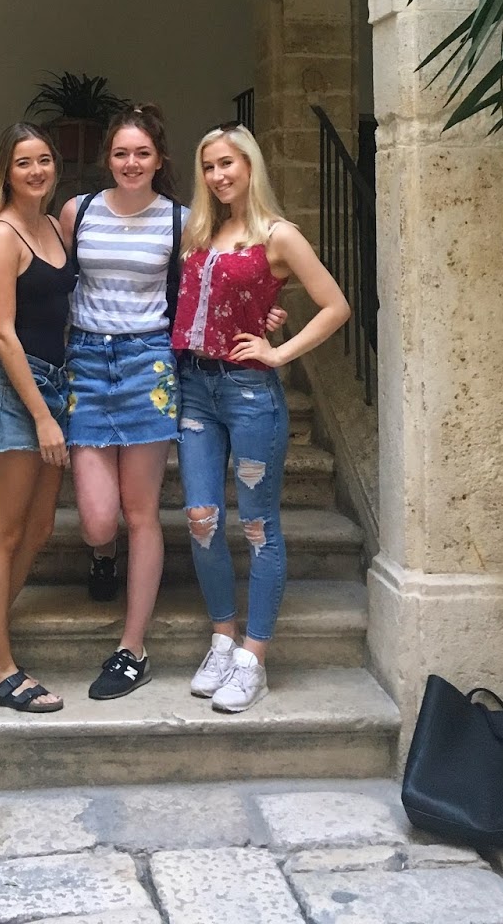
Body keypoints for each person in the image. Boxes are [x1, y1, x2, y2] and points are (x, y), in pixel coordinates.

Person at [172, 123, 351, 715]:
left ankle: (254, 658)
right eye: (209, 167)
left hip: (249, 392)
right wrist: (264, 310)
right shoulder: (202, 231)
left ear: (250, 165)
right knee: (201, 517)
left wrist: (279, 351)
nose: (218, 175)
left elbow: (335, 305)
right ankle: (222, 640)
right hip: (194, 388)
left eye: (228, 163)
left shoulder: (278, 235)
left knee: (257, 525)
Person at [57, 103, 186, 702]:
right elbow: (51, 279)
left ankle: (132, 649)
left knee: (141, 512)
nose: (131, 163)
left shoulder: (182, 221)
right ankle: (102, 554)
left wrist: (265, 314)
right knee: (98, 520)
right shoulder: (77, 211)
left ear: (159, 160)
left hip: (148, 363)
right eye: (120, 153)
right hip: (86, 361)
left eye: (142, 153)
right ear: (107, 158)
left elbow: (206, 286)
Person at [0, 123, 76, 714]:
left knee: (40, 527)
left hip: (57, 383)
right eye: (24, 162)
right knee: (3, 532)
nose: (36, 171)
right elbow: (3, 334)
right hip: (16, 392)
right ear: (6, 171)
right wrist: (43, 417)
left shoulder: (54, 225)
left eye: (44, 159)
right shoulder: (1, 234)